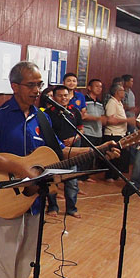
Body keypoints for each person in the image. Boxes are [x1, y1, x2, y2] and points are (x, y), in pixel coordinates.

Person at [0, 62, 119, 278]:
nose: (37, 90)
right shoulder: (0, 117)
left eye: (39, 84)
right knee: (5, 255)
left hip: (35, 198)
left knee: (27, 254)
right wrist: (19, 168)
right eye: (31, 85)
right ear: (14, 86)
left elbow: (58, 154)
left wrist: (98, 150)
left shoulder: (44, 117)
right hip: (6, 195)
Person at [45, 85, 82, 218]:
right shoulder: (47, 114)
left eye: (66, 95)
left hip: (71, 153)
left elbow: (81, 130)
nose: (63, 98)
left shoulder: (74, 112)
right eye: (60, 96)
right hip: (53, 152)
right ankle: (52, 206)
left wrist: (74, 138)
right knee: (52, 181)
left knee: (72, 182)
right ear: (54, 98)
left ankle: (71, 208)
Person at [104, 83, 136, 181]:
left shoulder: (119, 102)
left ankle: (115, 175)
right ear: (117, 92)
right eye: (122, 91)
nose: (124, 93)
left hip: (121, 133)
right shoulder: (112, 102)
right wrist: (127, 120)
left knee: (119, 157)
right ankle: (109, 175)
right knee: (112, 156)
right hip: (113, 133)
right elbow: (110, 119)